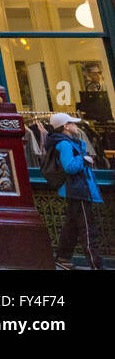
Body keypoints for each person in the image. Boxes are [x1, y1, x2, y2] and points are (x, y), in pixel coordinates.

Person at [46, 112, 104, 269]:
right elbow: (69, 167)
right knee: (88, 229)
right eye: (73, 123)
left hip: (77, 189)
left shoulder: (70, 142)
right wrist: (83, 159)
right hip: (77, 190)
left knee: (71, 227)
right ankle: (96, 264)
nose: (76, 126)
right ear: (65, 126)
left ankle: (63, 258)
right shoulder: (65, 144)